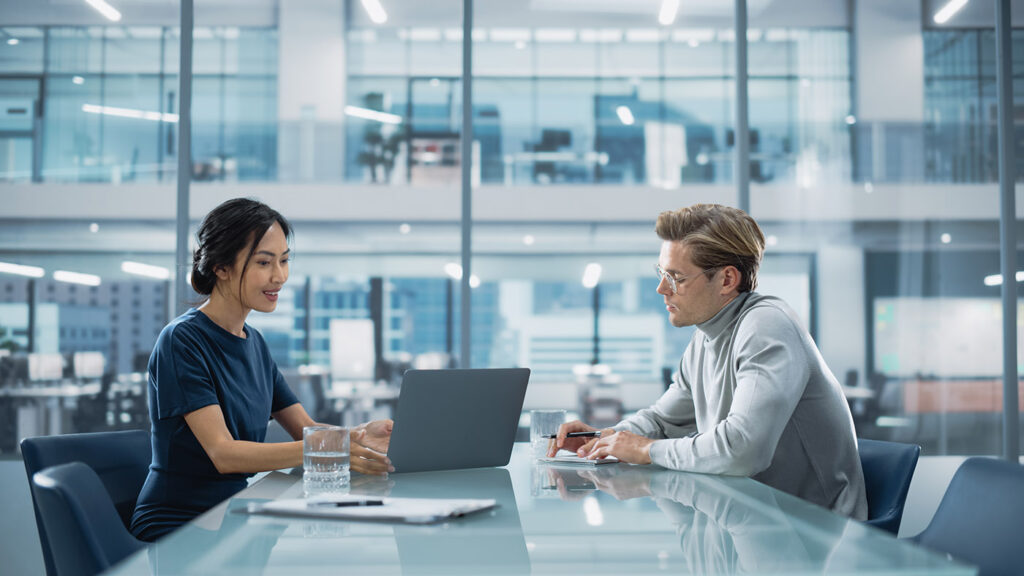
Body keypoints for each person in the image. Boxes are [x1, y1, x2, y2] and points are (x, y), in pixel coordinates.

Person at [550, 203, 867, 519]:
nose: (662, 289)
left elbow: (743, 449)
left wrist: (645, 451)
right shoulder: (706, 337)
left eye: (676, 278)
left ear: (727, 279)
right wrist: (604, 439)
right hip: (754, 518)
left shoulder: (767, 326)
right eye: (662, 274)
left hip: (816, 535)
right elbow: (664, 421)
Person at [130, 198, 393, 542]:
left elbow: (306, 431)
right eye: (264, 262)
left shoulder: (254, 343)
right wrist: (329, 448)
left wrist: (356, 437)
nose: (279, 276)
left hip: (236, 513)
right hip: (180, 524)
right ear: (221, 266)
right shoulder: (182, 341)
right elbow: (224, 454)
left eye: (284, 261)